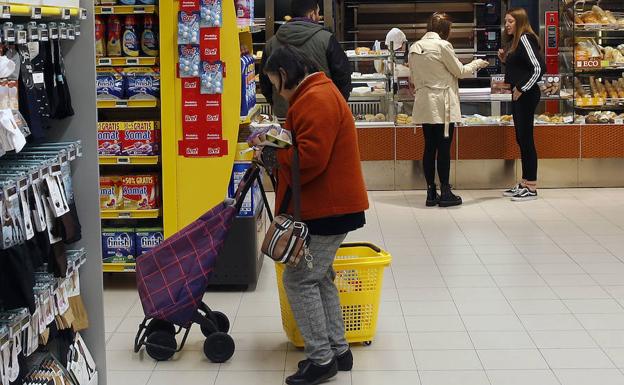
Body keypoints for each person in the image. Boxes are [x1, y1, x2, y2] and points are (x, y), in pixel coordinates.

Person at [261, 46, 368, 385]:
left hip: (327, 207)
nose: (276, 90)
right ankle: (339, 350)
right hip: (329, 205)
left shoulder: (316, 99)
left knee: (298, 279)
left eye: (274, 81)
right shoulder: (316, 93)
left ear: (284, 72)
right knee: (319, 277)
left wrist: (273, 153)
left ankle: (322, 360)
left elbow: (309, 159)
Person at [409, 12, 488, 207]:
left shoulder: (414, 47)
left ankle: (430, 192)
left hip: (424, 102)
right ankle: (445, 192)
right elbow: (460, 71)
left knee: (429, 147)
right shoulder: (443, 46)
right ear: (444, 30)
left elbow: (413, 78)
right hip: (442, 104)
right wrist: (478, 62)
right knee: (443, 148)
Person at [259, 0, 352, 118]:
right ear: (312, 14)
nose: (318, 16)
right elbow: (343, 77)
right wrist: (336, 106)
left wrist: (278, 104)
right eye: (318, 13)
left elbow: (264, 82)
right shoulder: (326, 39)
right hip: (322, 114)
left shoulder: (271, 43)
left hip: (285, 116)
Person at [498, 8, 545, 201]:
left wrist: (522, 88)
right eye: (506, 21)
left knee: (526, 140)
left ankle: (531, 187)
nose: (507, 25)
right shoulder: (517, 41)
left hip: (526, 95)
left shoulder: (525, 38)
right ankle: (525, 182)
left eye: (510, 21)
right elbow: (521, 67)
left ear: (519, 22)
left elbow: (538, 68)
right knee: (521, 139)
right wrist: (504, 60)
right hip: (519, 95)